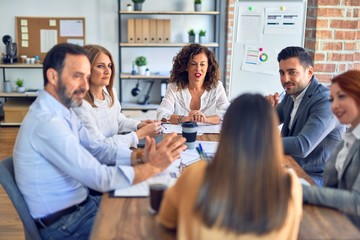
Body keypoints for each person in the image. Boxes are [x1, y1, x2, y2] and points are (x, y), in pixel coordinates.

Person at [13, 43, 186, 240]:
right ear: (53, 76)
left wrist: (141, 156)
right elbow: (100, 178)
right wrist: (153, 166)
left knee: (159, 218)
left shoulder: (64, 111)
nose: (85, 86)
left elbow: (98, 149)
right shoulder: (47, 123)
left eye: (86, 77)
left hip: (84, 205)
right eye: (77, 76)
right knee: (150, 230)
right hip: (66, 224)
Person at [158, 94, 303, 239]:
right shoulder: (290, 185)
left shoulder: (195, 174)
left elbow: (167, 219)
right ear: (273, 136)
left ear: (226, 131)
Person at [265, 46, 344, 186]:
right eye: (282, 73)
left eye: (292, 72)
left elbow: (302, 146)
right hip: (290, 165)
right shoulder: (292, 93)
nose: (285, 79)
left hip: (317, 177)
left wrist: (259, 143)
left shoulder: (326, 102)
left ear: (309, 72)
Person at [72, 44, 160, 149]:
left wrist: (139, 125)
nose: (107, 71)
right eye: (100, 66)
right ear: (86, 69)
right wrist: (139, 134)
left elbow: (118, 119)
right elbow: (99, 146)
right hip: (100, 159)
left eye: (109, 66)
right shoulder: (80, 105)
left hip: (115, 151)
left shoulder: (110, 93)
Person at [303, 70, 360, 228]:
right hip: (335, 221)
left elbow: (357, 202)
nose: (334, 106)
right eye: (332, 99)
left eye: (341, 97)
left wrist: (300, 191)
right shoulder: (349, 136)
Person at [156, 43, 229, 125]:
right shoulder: (175, 87)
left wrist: (205, 119)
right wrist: (185, 119)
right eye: (193, 64)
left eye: (202, 64)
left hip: (208, 136)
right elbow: (161, 115)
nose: (198, 69)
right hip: (180, 136)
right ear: (186, 66)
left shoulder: (216, 86)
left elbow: (227, 114)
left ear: (208, 67)